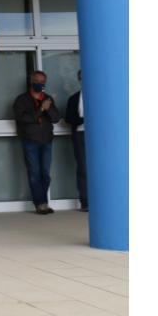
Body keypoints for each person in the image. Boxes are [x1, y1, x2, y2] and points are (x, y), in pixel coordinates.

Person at [14, 70, 62, 215]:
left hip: (46, 140)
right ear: (31, 81)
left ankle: (43, 202)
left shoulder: (47, 98)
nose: (40, 84)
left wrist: (47, 109)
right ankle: (40, 204)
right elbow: (23, 119)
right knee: (34, 173)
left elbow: (56, 118)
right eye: (37, 81)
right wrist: (41, 109)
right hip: (30, 140)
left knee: (45, 174)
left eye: (42, 82)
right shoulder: (22, 100)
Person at [65, 70, 88, 211]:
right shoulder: (74, 98)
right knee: (83, 169)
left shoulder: (102, 96)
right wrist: (83, 120)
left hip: (101, 138)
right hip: (80, 134)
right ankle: (85, 201)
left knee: (103, 169)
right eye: (81, 78)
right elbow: (69, 118)